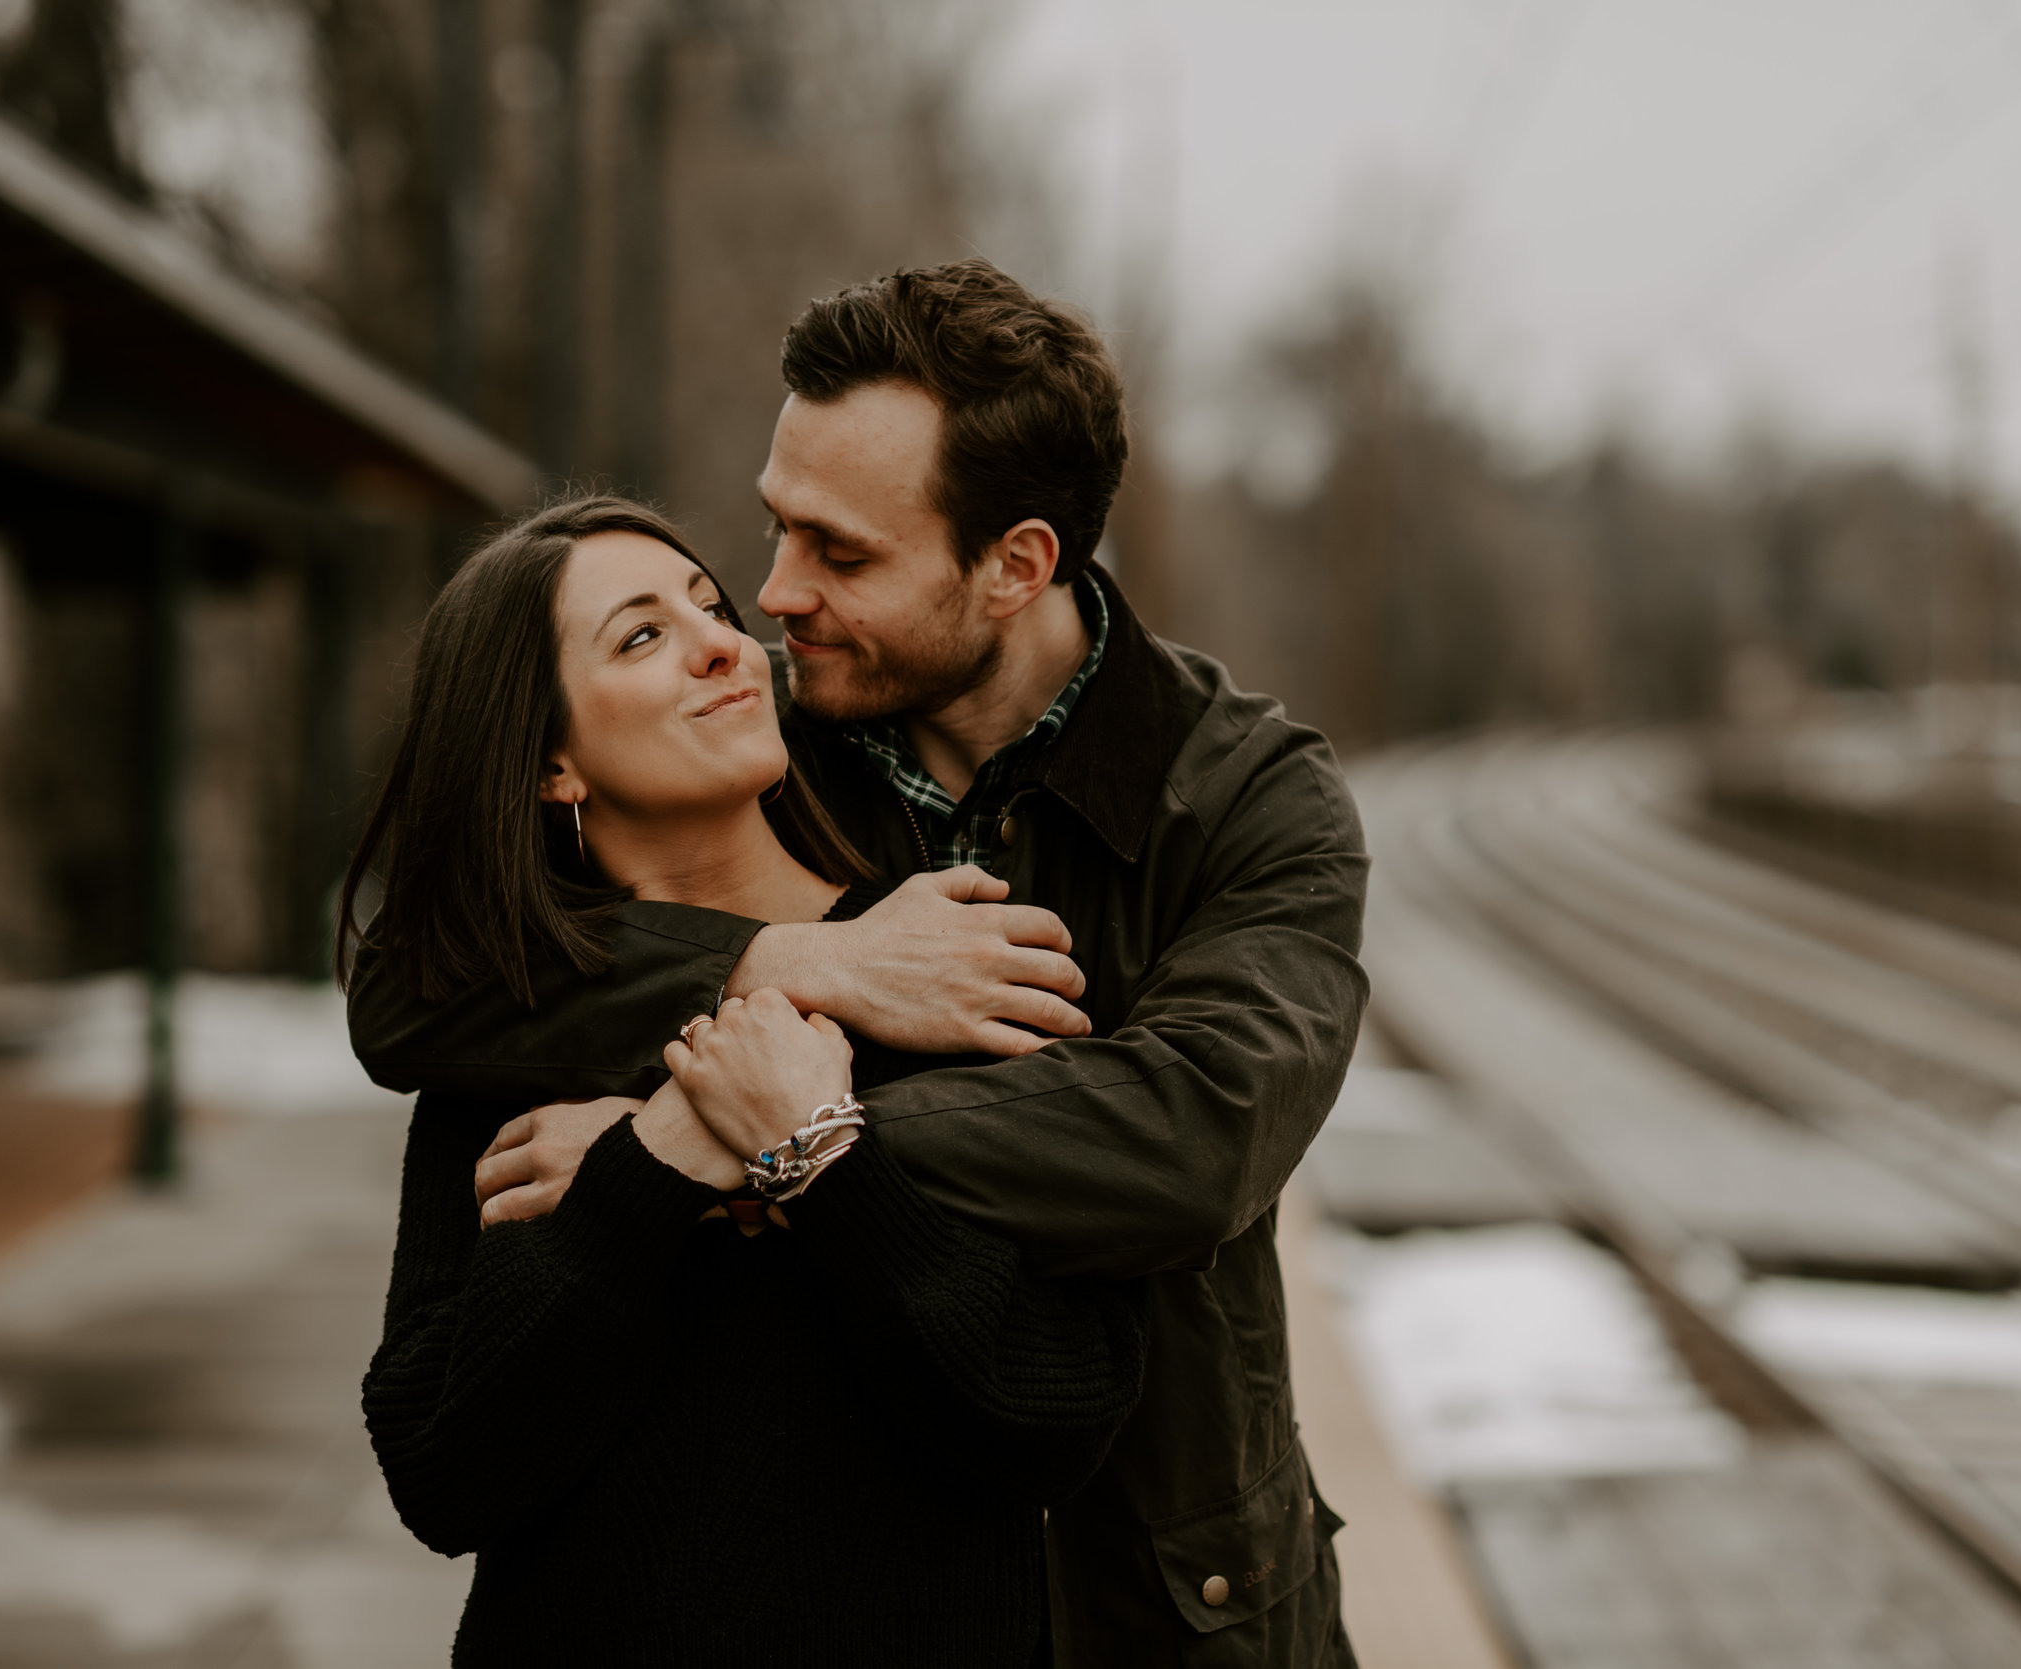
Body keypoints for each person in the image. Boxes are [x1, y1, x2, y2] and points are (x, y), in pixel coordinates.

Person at [351, 259, 1371, 1667]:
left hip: (1162, 1604)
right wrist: (786, 964)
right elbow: (430, 972)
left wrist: (761, 1138)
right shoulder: (763, 747)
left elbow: (1190, 1137)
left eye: (838, 553)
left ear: (1015, 564)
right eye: (774, 531)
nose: (770, 599)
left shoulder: (1249, 803)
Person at [346, 497, 1148, 1667]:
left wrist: (817, 1156)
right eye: (640, 635)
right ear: (548, 761)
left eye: (710, 608)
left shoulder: (955, 963)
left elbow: (1057, 1410)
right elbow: (442, 1472)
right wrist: (657, 1161)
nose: (725, 642)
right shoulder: (519, 1038)